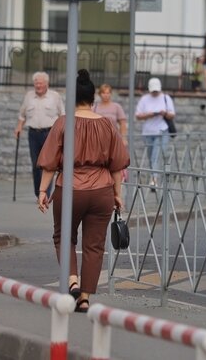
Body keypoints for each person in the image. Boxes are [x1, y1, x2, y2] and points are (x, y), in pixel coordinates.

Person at [36, 69, 129, 313]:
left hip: (69, 190)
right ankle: (85, 297)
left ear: (71, 98)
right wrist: (118, 194)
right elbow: (117, 165)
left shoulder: (63, 123)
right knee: (94, 245)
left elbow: (49, 161)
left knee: (63, 237)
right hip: (102, 191)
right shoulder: (108, 125)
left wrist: (42, 191)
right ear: (93, 99)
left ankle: (72, 281)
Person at [13, 71, 65, 198]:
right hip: (33, 134)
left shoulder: (55, 96)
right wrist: (19, 127)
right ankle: (39, 193)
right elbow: (22, 114)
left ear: (47, 84)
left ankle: (46, 193)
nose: (38, 86)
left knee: (49, 164)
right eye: (36, 83)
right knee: (36, 165)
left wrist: (63, 132)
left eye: (41, 83)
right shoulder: (29, 96)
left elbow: (62, 115)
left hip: (50, 134)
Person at [135, 77, 176, 186]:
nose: (155, 92)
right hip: (148, 132)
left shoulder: (166, 98)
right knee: (150, 156)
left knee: (156, 155)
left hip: (161, 130)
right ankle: (155, 176)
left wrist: (164, 113)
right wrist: (150, 114)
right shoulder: (144, 99)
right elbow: (138, 115)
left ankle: (154, 179)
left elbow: (172, 114)